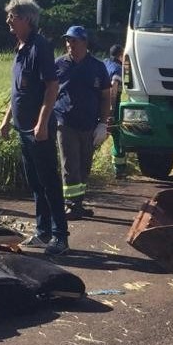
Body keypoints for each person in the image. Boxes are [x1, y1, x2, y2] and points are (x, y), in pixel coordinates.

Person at [0, 0, 69, 256]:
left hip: (38, 128)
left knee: (49, 180)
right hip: (22, 127)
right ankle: (42, 232)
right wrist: (6, 120)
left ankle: (60, 236)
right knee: (35, 181)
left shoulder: (40, 47)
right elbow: (17, 92)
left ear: (26, 19)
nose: (8, 21)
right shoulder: (20, 48)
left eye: (12, 17)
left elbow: (52, 86)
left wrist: (42, 123)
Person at [54, 25, 111, 220]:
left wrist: (103, 124)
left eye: (74, 40)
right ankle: (71, 205)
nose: (70, 44)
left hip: (89, 124)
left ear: (84, 42)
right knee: (70, 165)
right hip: (65, 122)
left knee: (84, 166)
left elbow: (105, 96)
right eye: (68, 40)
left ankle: (78, 203)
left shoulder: (97, 67)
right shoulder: (59, 65)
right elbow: (49, 91)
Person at [102, 43, 127, 179]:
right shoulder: (118, 69)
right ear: (120, 55)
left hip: (97, 104)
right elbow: (113, 88)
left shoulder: (104, 63)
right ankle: (119, 170)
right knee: (117, 136)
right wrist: (111, 110)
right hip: (113, 105)